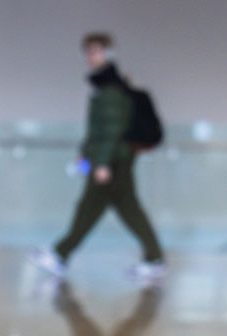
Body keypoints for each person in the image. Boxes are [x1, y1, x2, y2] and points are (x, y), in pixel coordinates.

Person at [31, 32, 165, 282]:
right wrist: (87, 156)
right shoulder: (106, 86)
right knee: (124, 209)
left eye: (96, 51)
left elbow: (111, 130)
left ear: (109, 53)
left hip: (112, 161)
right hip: (113, 159)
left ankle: (61, 254)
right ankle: (154, 258)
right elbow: (100, 131)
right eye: (88, 52)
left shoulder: (111, 90)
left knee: (93, 209)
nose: (91, 57)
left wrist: (102, 162)